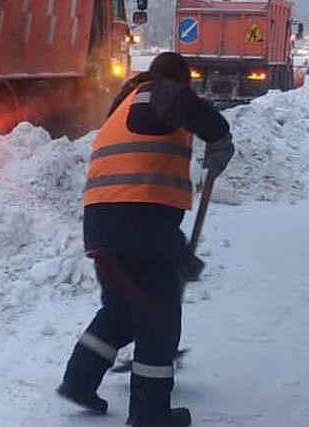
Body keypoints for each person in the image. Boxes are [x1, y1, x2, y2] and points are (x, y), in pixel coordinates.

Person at [56, 52, 234, 427]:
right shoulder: (156, 93)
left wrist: (176, 251)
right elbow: (180, 102)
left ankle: (79, 380)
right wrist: (218, 136)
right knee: (158, 319)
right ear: (177, 81)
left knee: (121, 312)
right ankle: (150, 415)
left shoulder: (122, 108)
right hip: (138, 222)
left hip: (105, 223)